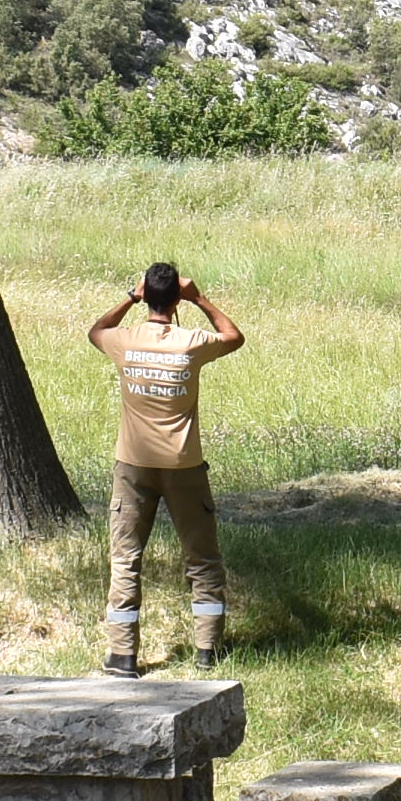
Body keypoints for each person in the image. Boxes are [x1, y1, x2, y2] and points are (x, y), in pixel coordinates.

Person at [86, 261, 242, 676]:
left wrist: (129, 296)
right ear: (176, 300)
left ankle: (122, 655)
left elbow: (95, 331)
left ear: (146, 298)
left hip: (133, 466)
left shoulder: (125, 341)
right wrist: (199, 298)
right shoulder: (190, 342)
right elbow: (233, 337)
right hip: (184, 465)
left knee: (125, 560)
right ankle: (208, 649)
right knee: (202, 558)